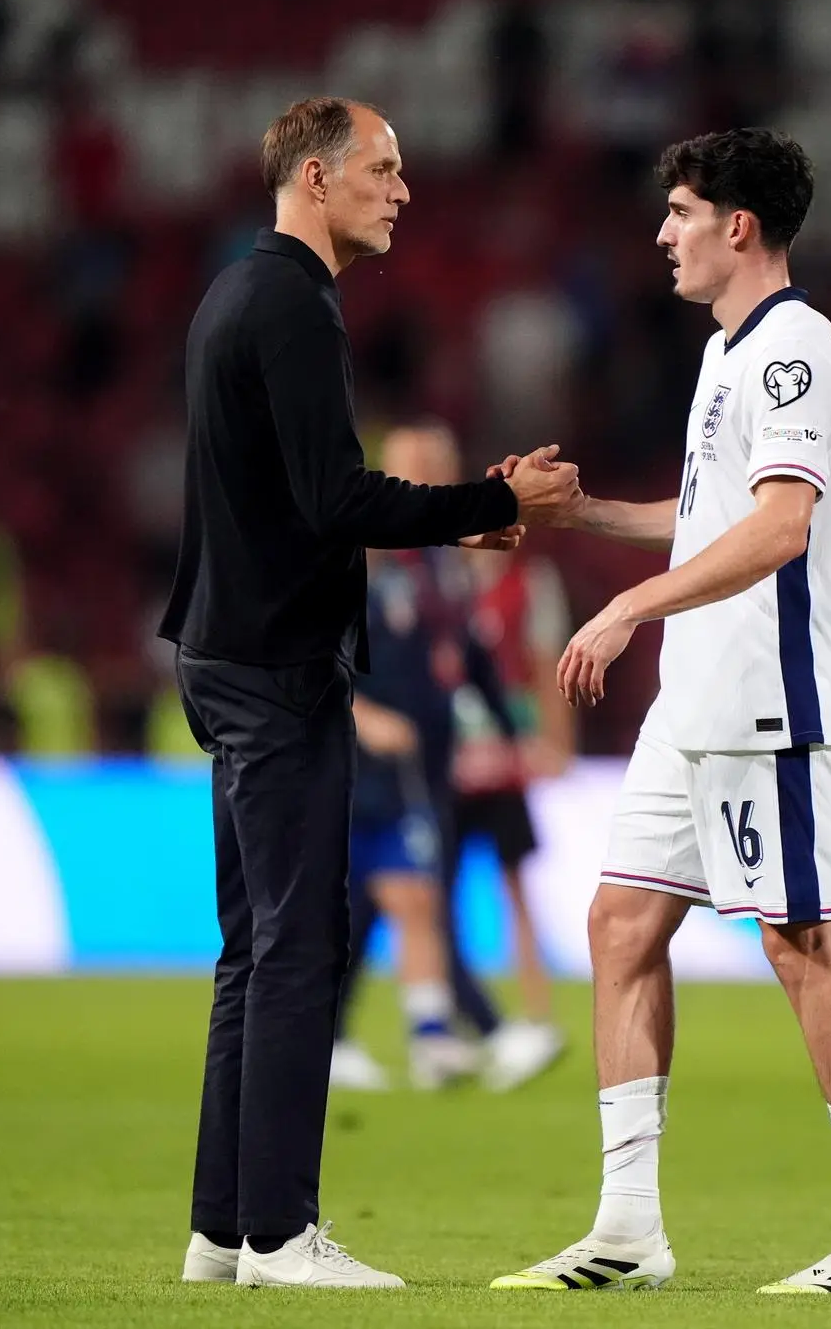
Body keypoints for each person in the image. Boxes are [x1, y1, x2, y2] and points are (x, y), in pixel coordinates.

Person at [490, 128, 831, 1295]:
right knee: (619, 925)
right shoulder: (723, 353)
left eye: (681, 212)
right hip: (689, 703)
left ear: (737, 226)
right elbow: (708, 520)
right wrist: (583, 517)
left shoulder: (795, 352)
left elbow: (780, 526)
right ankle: (626, 1227)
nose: (662, 234)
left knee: (799, 941)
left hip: (763, 700)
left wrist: (626, 605)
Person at [159, 96, 579, 1291]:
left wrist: (460, 521)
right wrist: (494, 500)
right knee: (300, 947)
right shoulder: (292, 302)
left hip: (224, 651)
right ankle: (280, 1235)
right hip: (277, 670)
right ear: (313, 178)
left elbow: (296, 500)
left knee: (253, 950)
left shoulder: (236, 293)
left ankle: (221, 1230)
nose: (401, 190)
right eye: (381, 168)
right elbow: (333, 498)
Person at [333, 422, 564, 1093]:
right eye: (416, 464)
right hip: (367, 759)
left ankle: (389, 1035)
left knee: (395, 895)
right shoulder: (362, 554)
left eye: (438, 462)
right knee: (401, 892)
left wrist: (509, 731)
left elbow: (472, 658)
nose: (430, 474)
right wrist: (361, 716)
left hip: (429, 761)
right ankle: (451, 1031)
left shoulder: (444, 562)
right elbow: (319, 654)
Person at [452, 544, 574, 1052]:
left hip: (504, 760)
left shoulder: (530, 581)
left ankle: (536, 1012)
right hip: (450, 761)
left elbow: (545, 662)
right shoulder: (439, 576)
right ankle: (447, 1017)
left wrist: (556, 742)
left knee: (516, 888)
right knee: (435, 894)